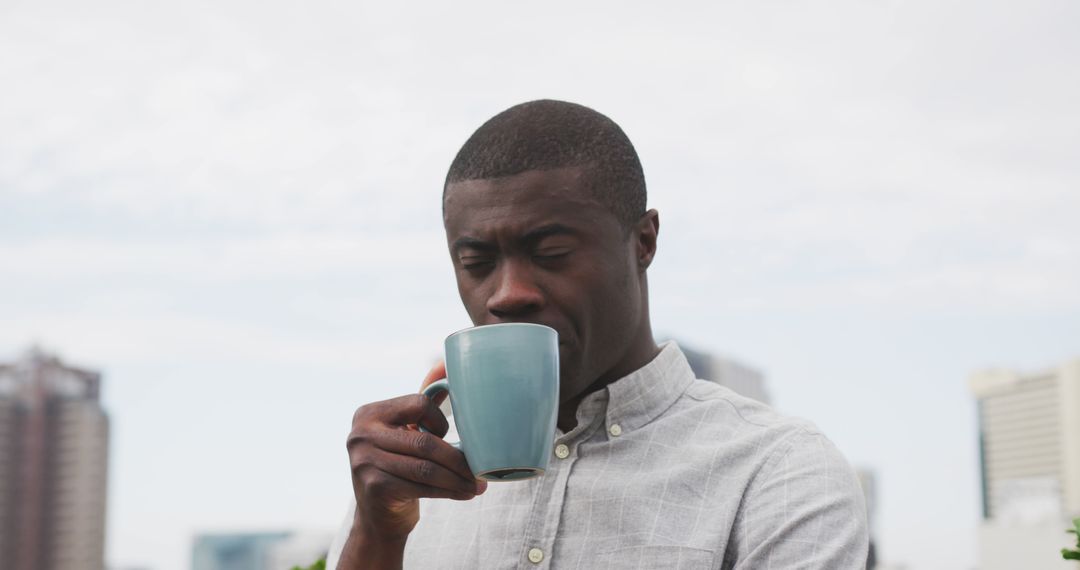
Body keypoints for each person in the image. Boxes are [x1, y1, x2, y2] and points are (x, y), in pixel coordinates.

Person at [327, 100, 869, 569]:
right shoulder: (406, 477)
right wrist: (375, 536)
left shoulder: (778, 471)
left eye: (552, 253)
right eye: (477, 262)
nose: (507, 293)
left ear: (644, 241)